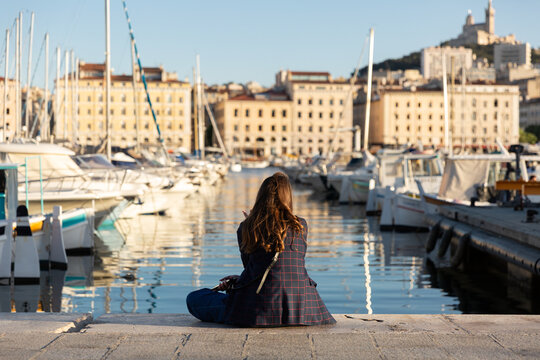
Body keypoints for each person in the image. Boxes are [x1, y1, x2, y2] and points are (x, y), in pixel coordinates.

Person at [186, 172, 335, 327]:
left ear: (261, 197)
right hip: (302, 307)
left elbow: (250, 267)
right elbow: (280, 266)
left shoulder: (246, 227)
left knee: (194, 298)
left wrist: (249, 224)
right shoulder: (301, 225)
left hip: (258, 308)